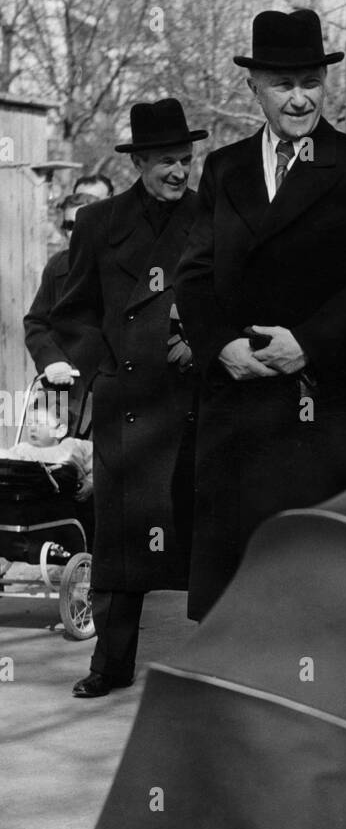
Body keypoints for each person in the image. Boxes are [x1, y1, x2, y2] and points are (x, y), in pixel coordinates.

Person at [174, 8, 346, 620]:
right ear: (253, 87)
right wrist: (220, 345)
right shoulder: (224, 169)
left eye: (310, 82)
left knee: (324, 588)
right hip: (238, 403)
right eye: (282, 84)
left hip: (325, 406)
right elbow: (193, 275)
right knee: (242, 592)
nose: (299, 99)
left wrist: (309, 342)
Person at [52, 98, 205, 697]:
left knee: (197, 542)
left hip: (192, 405)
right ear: (138, 160)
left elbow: (231, 302)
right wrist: (104, 369)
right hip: (127, 409)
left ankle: (206, 670)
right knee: (118, 544)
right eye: (166, 160)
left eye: (185, 160)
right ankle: (110, 667)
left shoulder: (210, 218)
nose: (178, 172)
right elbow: (73, 316)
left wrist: (200, 338)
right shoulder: (98, 224)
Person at [24, 193, 93, 429]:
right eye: (69, 225)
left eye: (84, 224)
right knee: (52, 460)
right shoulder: (57, 267)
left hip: (108, 396)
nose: (76, 232)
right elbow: (36, 323)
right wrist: (51, 360)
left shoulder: (124, 266)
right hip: (63, 390)